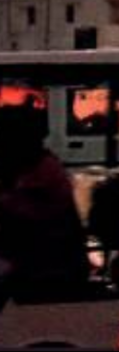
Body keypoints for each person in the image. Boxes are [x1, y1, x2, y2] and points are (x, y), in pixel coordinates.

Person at [0, 104, 91, 302]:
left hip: (47, 266)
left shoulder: (42, 171)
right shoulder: (33, 167)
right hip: (41, 260)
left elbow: (24, 215)